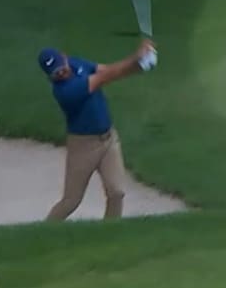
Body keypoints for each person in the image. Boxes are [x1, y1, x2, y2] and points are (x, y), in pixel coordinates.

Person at [38, 39, 154, 221]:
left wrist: (140, 65)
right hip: (83, 146)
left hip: (109, 139)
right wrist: (135, 58)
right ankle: (43, 232)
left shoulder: (76, 63)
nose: (62, 73)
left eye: (61, 67)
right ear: (50, 77)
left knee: (117, 193)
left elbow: (105, 70)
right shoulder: (65, 91)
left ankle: (110, 232)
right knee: (71, 201)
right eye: (56, 73)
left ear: (64, 57)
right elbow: (104, 78)